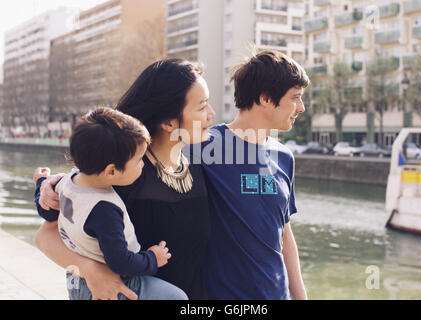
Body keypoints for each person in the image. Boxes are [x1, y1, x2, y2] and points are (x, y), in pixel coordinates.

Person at [34, 59, 215, 300]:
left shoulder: (199, 165)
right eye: (202, 107)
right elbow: (46, 236)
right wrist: (90, 271)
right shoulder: (124, 173)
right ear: (169, 121)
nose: (211, 114)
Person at [186, 50, 309, 299]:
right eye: (295, 98)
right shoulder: (202, 146)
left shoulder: (284, 157)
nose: (301, 108)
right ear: (265, 98)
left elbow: (284, 235)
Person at [34, 107, 187, 300]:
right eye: (139, 160)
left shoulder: (65, 183)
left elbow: (46, 210)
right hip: (113, 283)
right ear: (111, 171)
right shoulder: (104, 210)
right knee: (177, 298)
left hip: (75, 281)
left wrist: (40, 182)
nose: (142, 165)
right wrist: (152, 259)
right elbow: (120, 262)